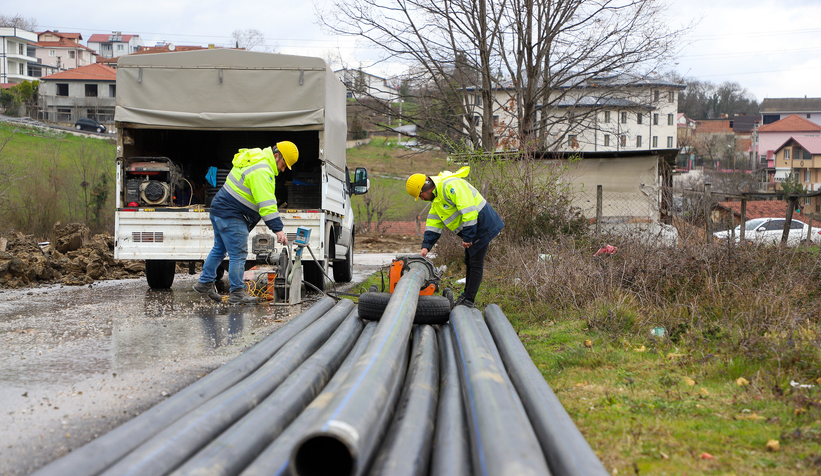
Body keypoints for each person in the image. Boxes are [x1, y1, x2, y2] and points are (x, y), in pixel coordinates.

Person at [193, 141, 299, 304]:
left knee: (219, 249)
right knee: (238, 254)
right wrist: (278, 230)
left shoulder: (256, 158)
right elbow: (267, 205)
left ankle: (204, 283)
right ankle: (237, 293)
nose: (283, 170)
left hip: (220, 209)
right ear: (276, 156)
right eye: (283, 165)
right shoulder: (263, 170)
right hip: (232, 214)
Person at [406, 166, 504, 308]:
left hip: (482, 224)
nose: (421, 199)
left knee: (475, 262)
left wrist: (468, 236)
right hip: (473, 226)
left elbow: (469, 211)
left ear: (425, 188)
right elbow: (433, 225)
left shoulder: (450, 186)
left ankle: (469, 300)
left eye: (420, 195)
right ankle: (466, 296)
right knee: (469, 260)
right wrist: (426, 247)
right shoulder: (437, 201)